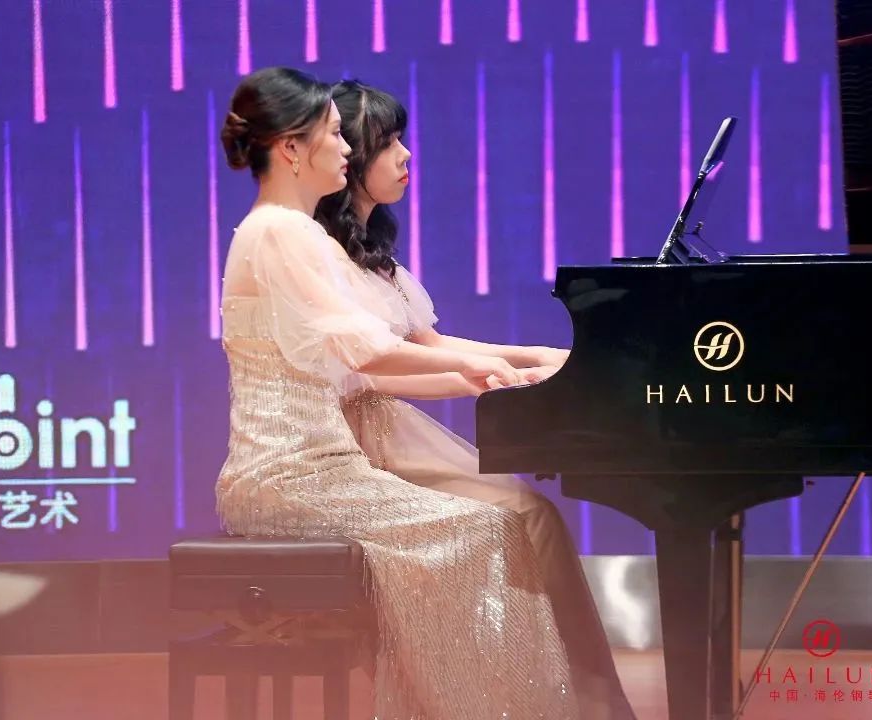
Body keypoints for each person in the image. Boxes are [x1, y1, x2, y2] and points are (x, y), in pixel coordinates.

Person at [216, 66, 578, 719]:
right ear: (292, 148)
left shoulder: (292, 231)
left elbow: (369, 352)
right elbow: (366, 350)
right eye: (335, 134)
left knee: (498, 524)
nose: (347, 148)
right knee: (488, 529)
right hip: (289, 476)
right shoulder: (278, 231)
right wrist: (476, 372)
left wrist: (490, 370)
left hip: (326, 469)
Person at [315, 79, 638, 720]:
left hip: (392, 432)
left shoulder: (377, 262)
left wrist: (537, 356)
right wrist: (487, 372)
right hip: (353, 442)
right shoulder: (320, 259)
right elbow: (375, 369)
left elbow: (432, 343)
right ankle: (541, 701)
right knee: (524, 515)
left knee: (533, 514)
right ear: (349, 156)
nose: (406, 155)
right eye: (388, 143)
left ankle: (584, 700)